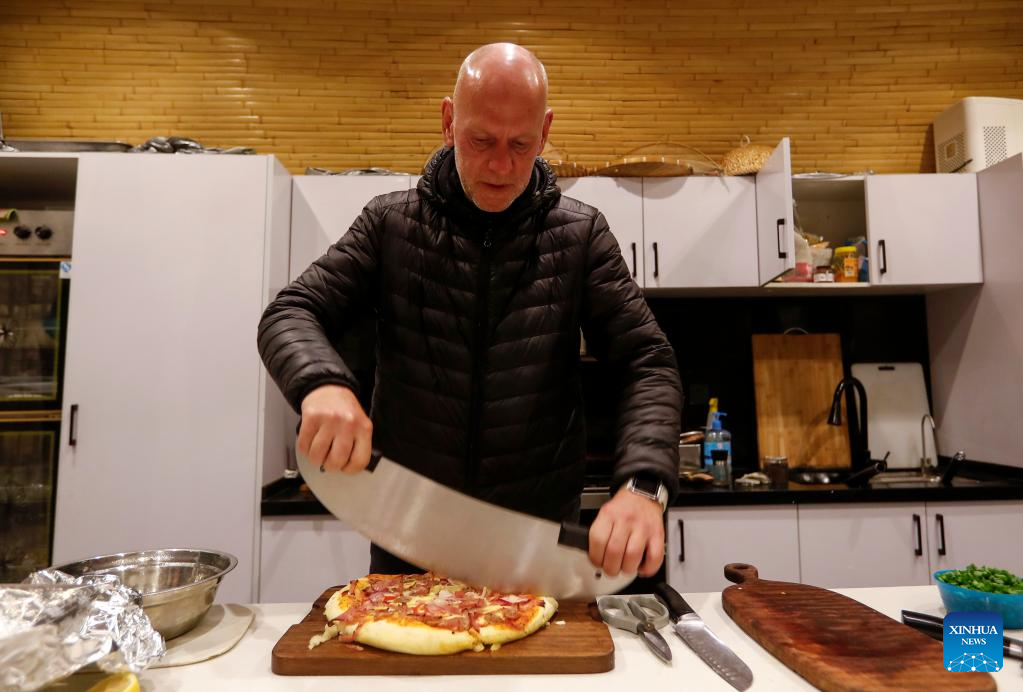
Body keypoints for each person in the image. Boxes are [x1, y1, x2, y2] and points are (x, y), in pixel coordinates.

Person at [257, 43, 682, 580]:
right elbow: (290, 311)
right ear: (448, 121)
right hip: (407, 538)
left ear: (545, 132)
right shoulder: (390, 224)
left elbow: (647, 361)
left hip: (533, 547)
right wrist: (321, 384)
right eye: (481, 140)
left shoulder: (581, 235)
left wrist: (644, 484)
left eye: (520, 144)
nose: (501, 165)